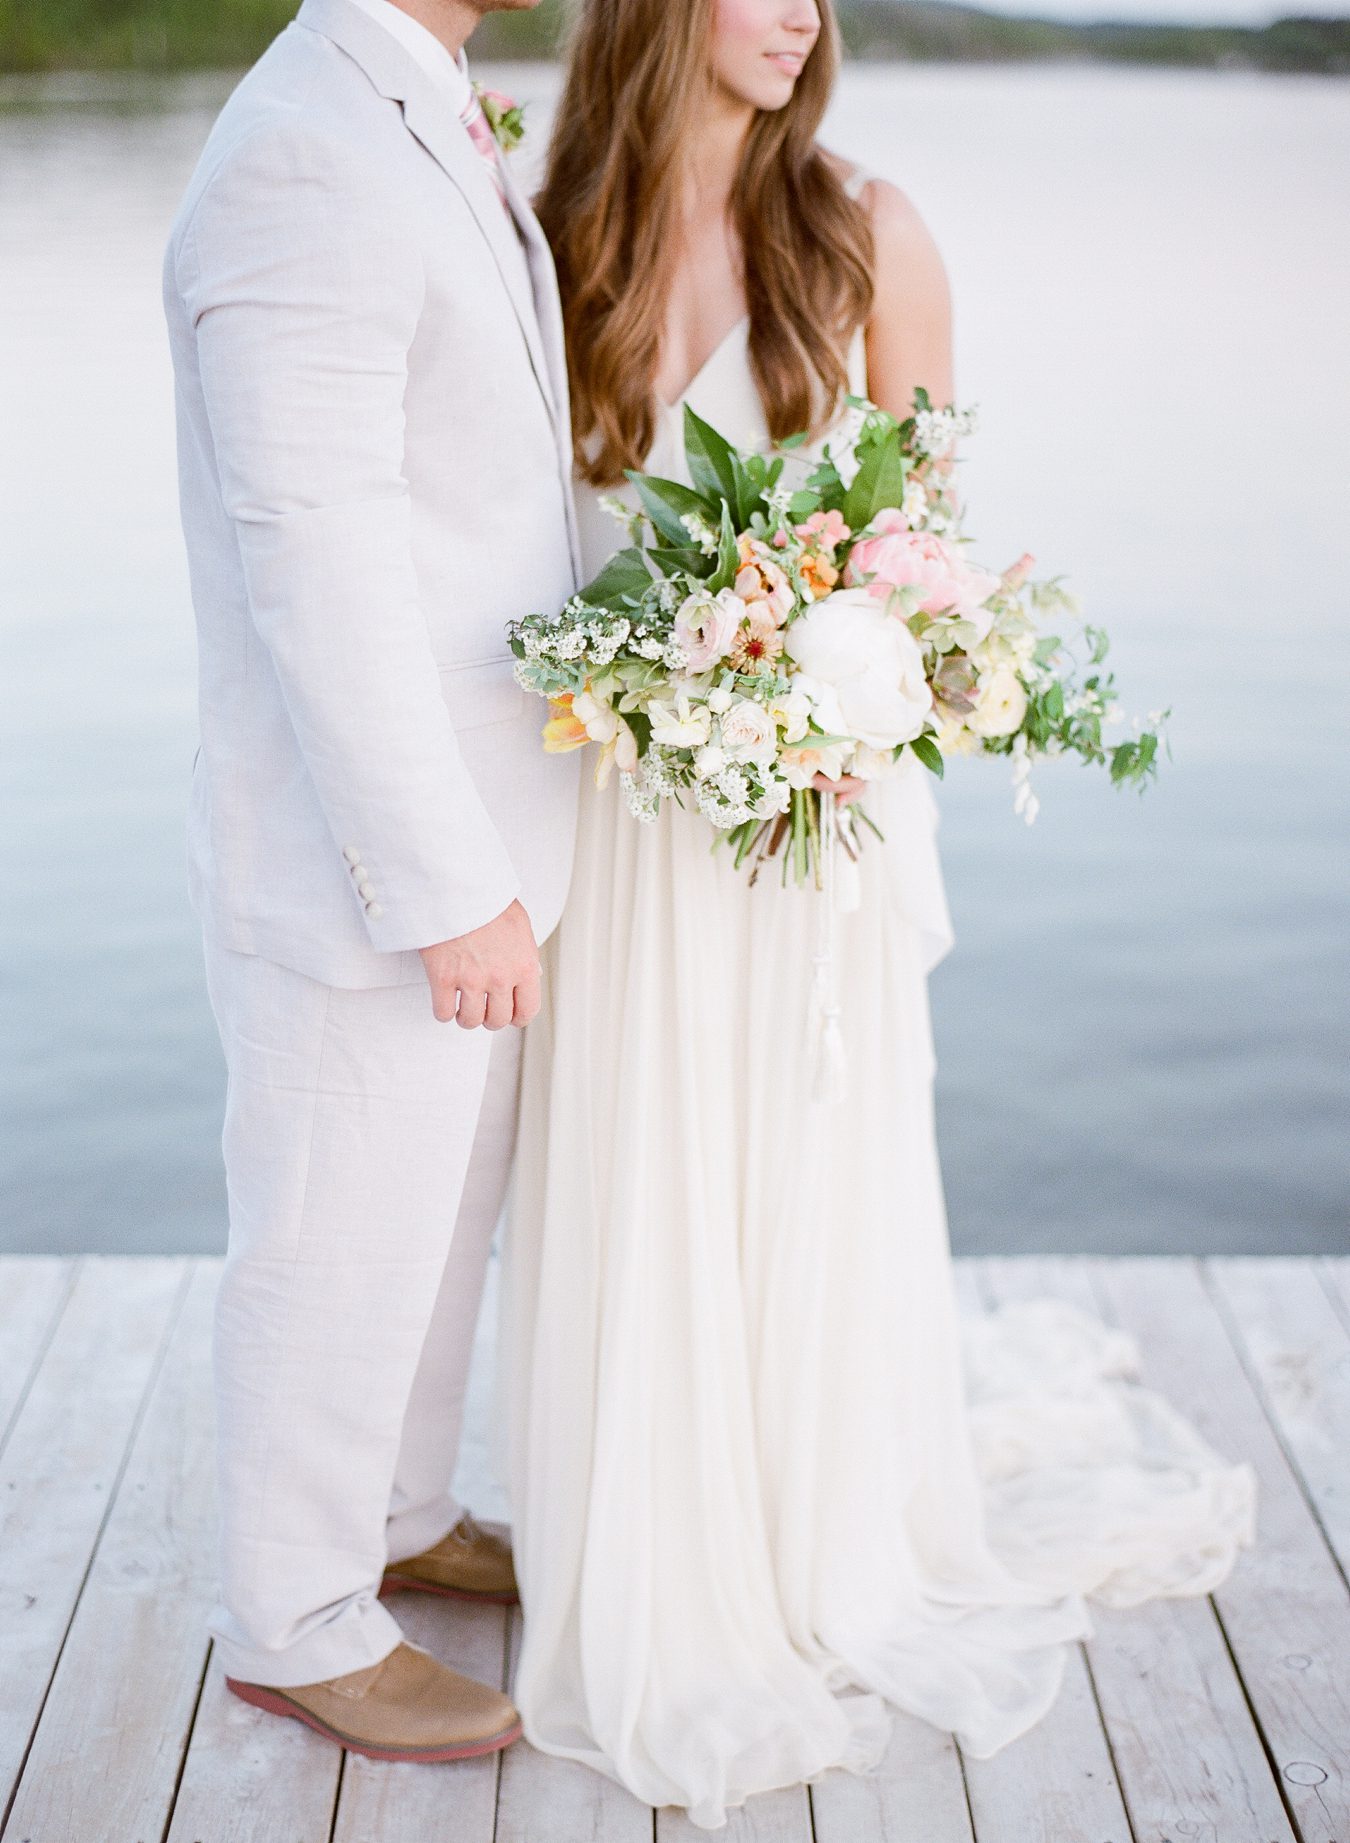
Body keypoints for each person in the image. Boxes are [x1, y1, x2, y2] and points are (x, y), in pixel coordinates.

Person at [498, 0, 1259, 1825]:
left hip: (804, 820)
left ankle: (805, 1529)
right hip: (612, 816)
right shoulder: (551, 233)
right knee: (636, 1172)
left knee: (801, 1167)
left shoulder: (863, 232)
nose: (802, 16)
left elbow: (924, 559)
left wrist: (815, 683)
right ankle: (654, 1526)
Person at [162, 0, 579, 1763]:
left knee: (431, 1224)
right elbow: (312, 557)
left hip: (492, 828)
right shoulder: (302, 156)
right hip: (373, 869)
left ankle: (399, 1521)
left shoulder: (405, 107)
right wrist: (440, 885)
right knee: (335, 1237)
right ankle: (297, 1619)